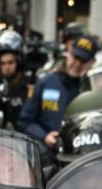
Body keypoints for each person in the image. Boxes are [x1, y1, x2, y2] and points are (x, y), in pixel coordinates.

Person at [18, 34, 96, 168]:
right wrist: (44, 137)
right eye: (75, 57)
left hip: (82, 158)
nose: (77, 64)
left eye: (83, 61)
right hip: (49, 157)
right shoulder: (45, 82)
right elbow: (24, 122)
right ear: (68, 54)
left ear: (91, 62)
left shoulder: (93, 88)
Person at [0, 30, 28, 129]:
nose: (7, 67)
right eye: (3, 63)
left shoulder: (30, 86)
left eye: (10, 62)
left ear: (19, 61)